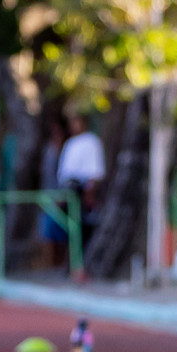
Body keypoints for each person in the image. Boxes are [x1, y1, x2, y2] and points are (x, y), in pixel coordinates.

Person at [57, 112, 105, 262]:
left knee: (83, 230)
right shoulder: (70, 143)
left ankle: (81, 265)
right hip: (68, 190)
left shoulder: (91, 141)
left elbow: (95, 172)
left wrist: (89, 194)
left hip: (83, 190)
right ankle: (71, 264)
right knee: (69, 230)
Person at [39, 117, 71, 268]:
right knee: (48, 233)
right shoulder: (49, 150)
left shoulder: (66, 150)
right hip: (49, 197)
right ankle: (49, 264)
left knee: (64, 233)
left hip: (61, 197)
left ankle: (62, 264)